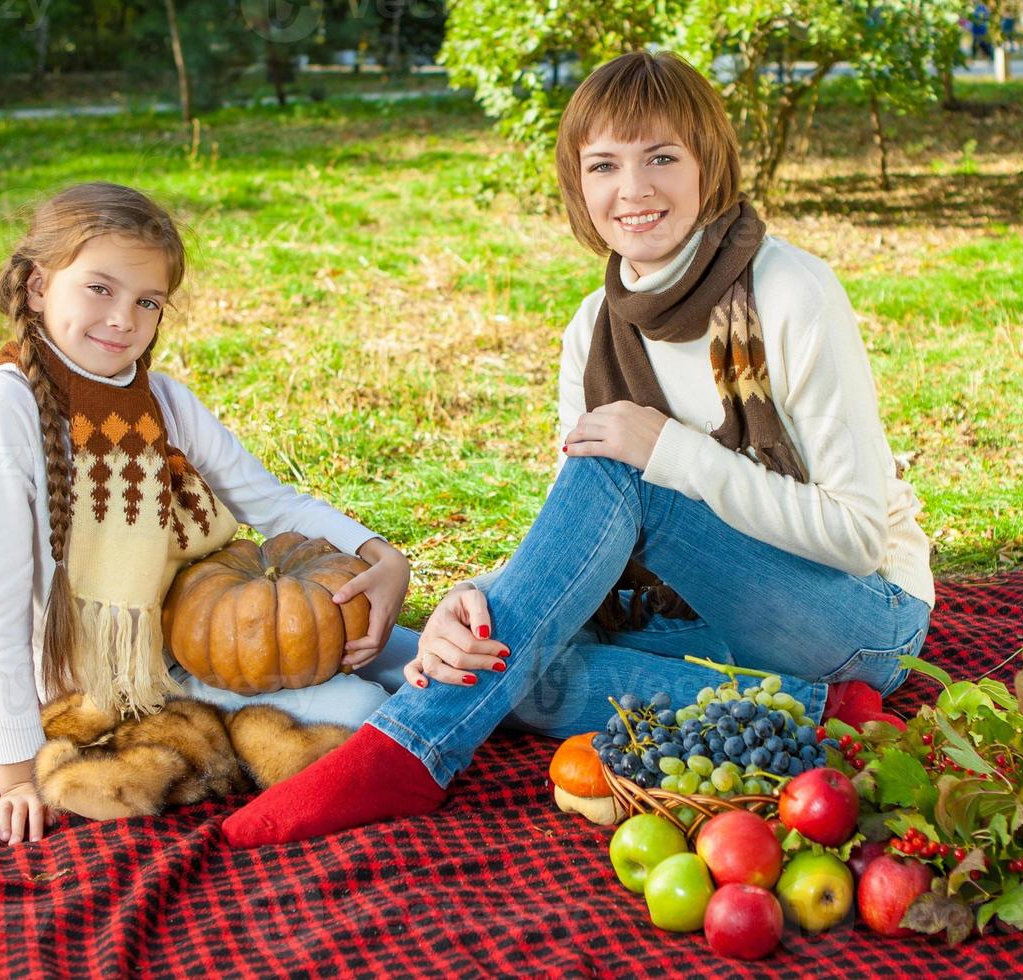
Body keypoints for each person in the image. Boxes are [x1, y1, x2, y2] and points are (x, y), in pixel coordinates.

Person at [222, 50, 934, 847]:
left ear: (710, 167)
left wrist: (671, 450)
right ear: (578, 185)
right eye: (605, 165)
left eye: (662, 157)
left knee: (615, 465)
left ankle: (410, 749)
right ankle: (817, 713)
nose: (634, 190)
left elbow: (858, 535)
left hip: (857, 615)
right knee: (519, 665)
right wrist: (482, 596)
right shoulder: (593, 326)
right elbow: (578, 534)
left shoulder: (788, 292)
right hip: (690, 619)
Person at [0, 182, 411, 845]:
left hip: (195, 633)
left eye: (147, 301)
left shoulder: (162, 398)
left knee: (418, 651)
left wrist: (382, 555)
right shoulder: (4, 413)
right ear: (40, 286)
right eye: (99, 289)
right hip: (118, 685)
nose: (122, 318)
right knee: (367, 709)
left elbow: (271, 501)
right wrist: (19, 777)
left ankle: (552, 692)